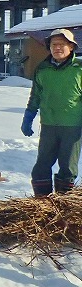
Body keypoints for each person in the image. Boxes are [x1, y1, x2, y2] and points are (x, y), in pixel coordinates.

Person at [21, 28, 82, 197]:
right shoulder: (42, 69)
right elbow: (36, 95)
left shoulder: (79, 68)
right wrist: (29, 116)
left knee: (68, 168)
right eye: (54, 44)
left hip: (72, 126)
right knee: (41, 166)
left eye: (62, 44)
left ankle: (63, 205)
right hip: (48, 125)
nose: (57, 48)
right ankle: (41, 204)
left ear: (71, 47)